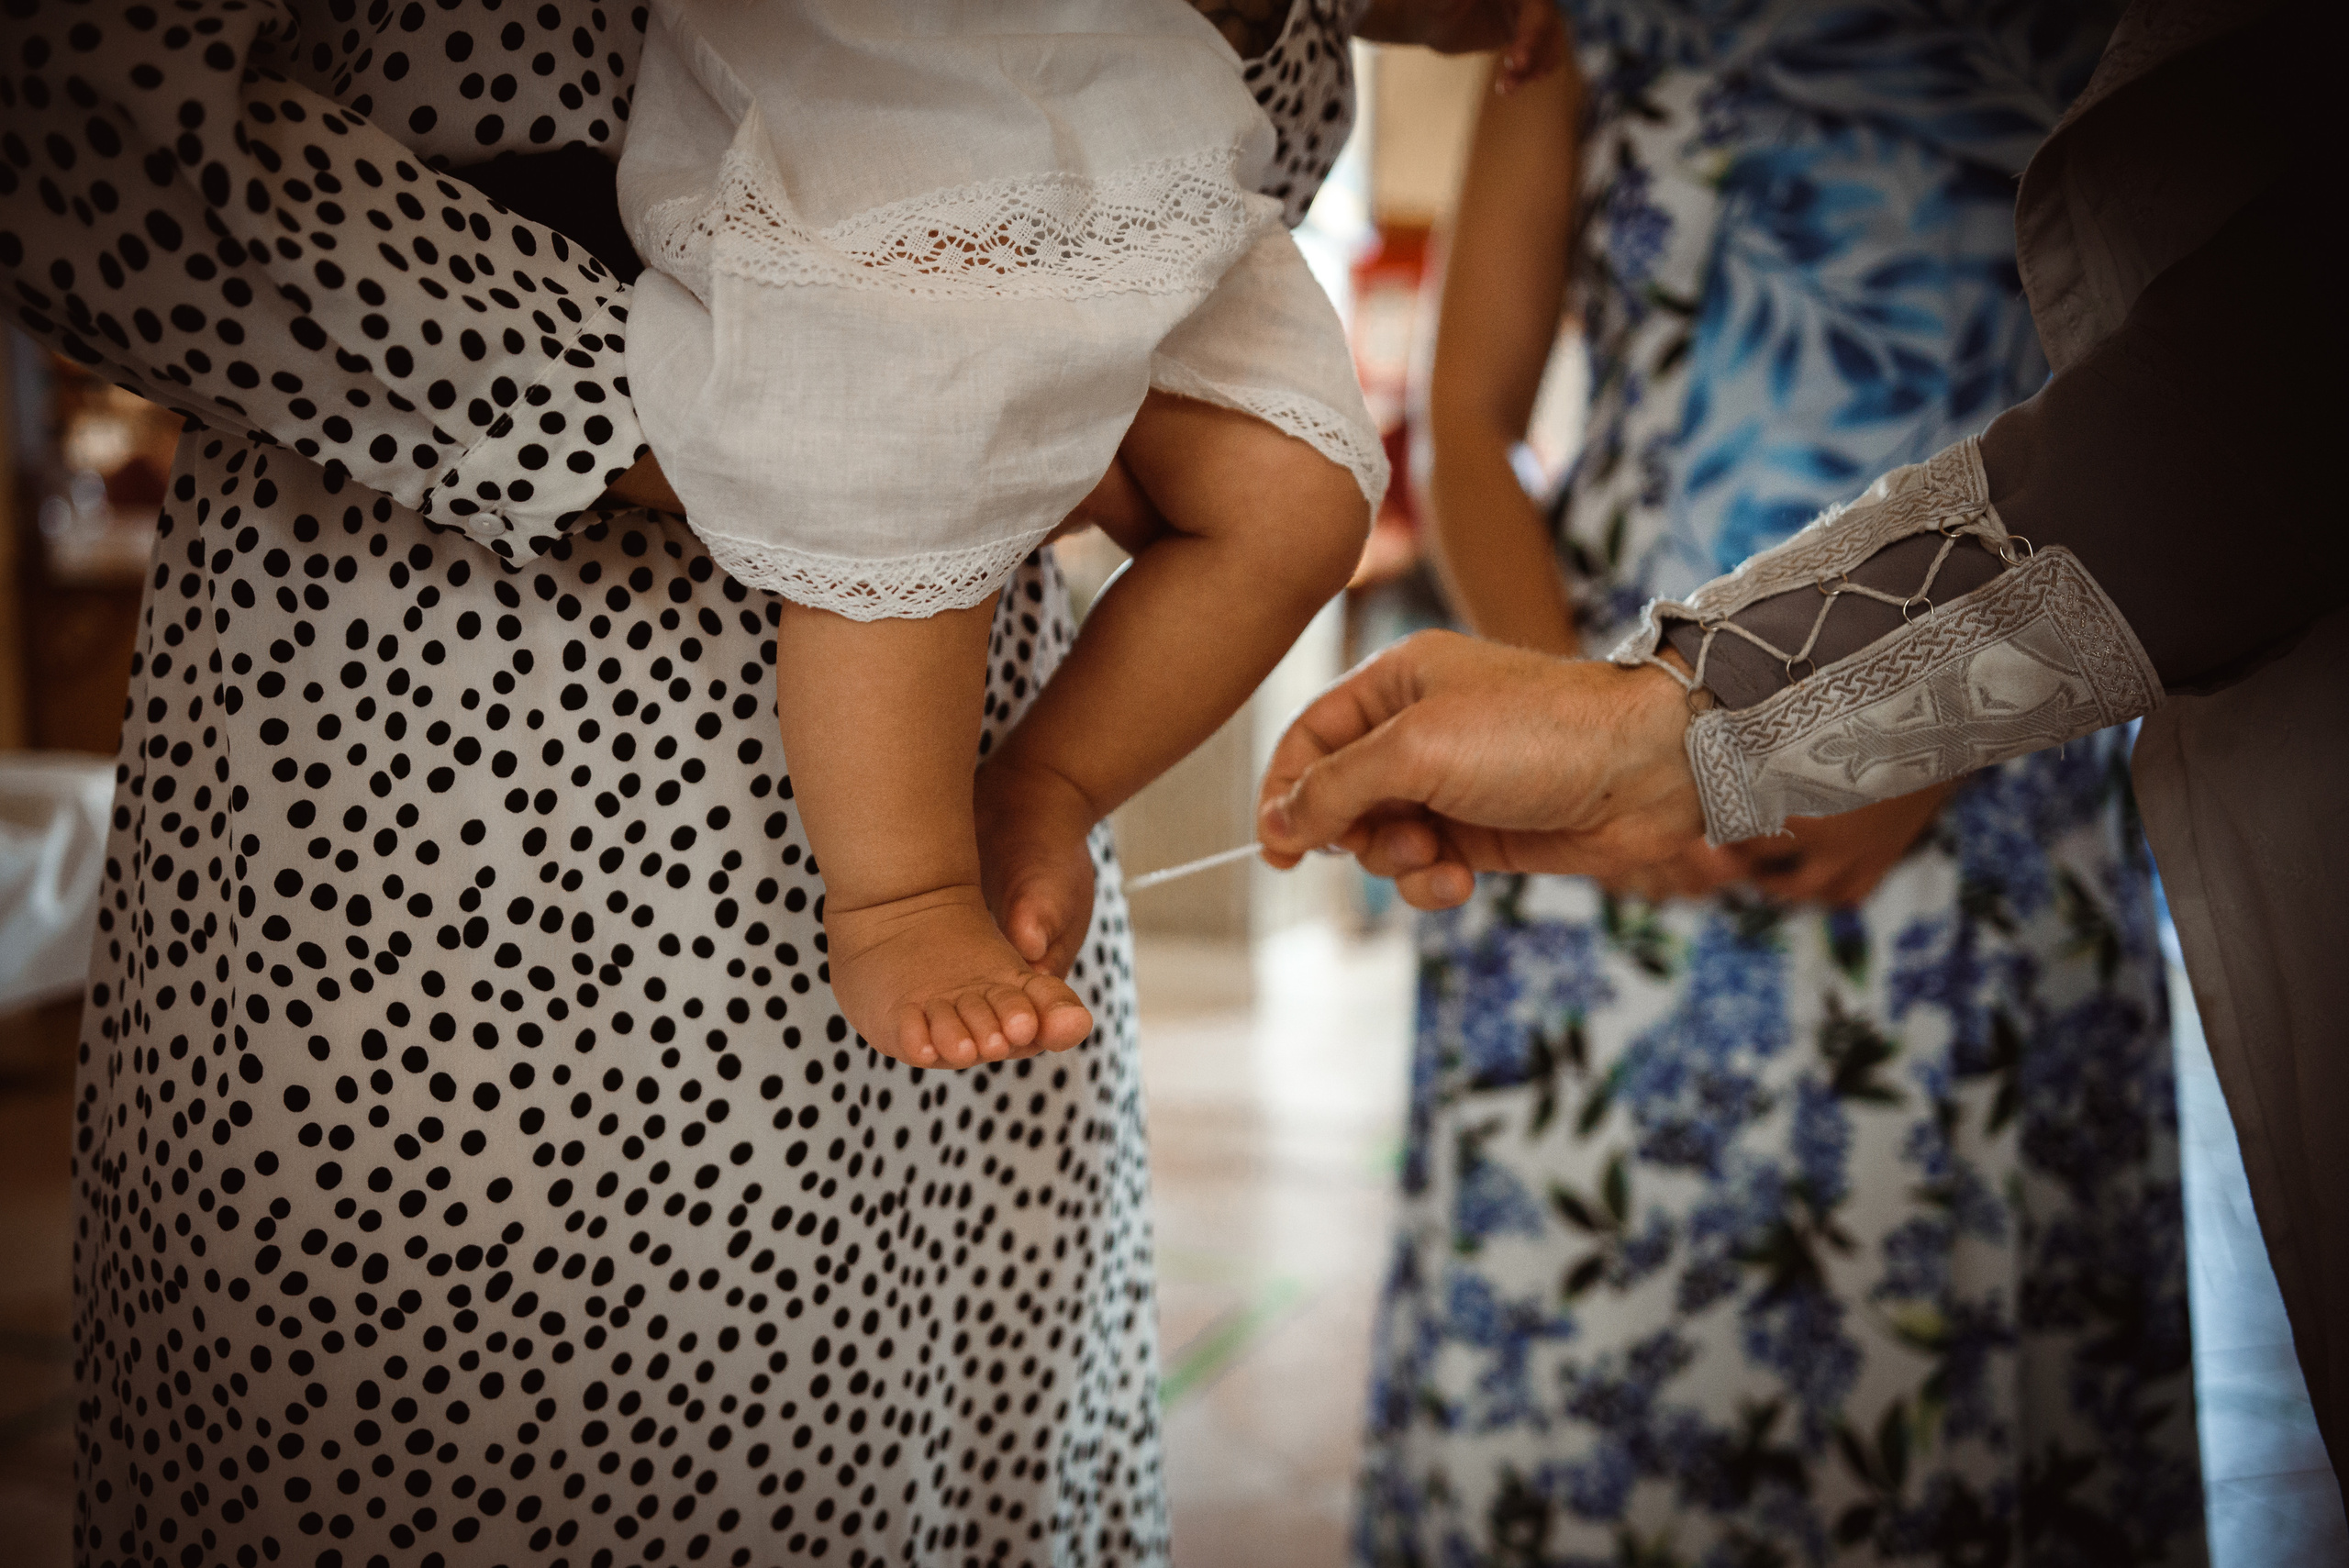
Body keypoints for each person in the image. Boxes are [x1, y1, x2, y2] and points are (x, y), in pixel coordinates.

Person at [1263, 0, 2349, 1513]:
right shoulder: (1584, 21)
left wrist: (1919, 745)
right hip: (1602, 772)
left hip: (1990, 785)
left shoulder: (2110, 42)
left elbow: (2235, 416)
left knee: (1944, 1380)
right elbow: (1466, 409)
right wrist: (1603, 725)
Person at [612, 0, 1385, 1073]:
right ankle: (899, 895)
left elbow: (1298, 117)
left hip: (1144, 118)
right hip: (893, 104)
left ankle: (1044, 784)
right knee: (922, 440)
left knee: (1304, 494)